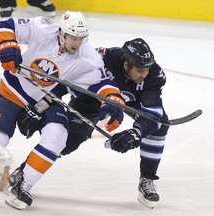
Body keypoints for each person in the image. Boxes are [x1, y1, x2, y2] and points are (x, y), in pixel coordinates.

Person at [0, 11, 125, 210]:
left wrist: (112, 98)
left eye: (81, 38)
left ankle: (23, 182)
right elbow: (6, 26)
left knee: (58, 135)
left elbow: (101, 83)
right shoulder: (43, 27)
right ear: (61, 33)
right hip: (12, 91)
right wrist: (7, 44)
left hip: (43, 99)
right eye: (73, 37)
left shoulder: (88, 57)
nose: (77, 43)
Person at [16, 38, 169, 208]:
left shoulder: (154, 75)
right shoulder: (100, 59)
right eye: (140, 70)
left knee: (160, 125)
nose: (144, 74)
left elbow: (153, 114)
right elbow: (67, 79)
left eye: (147, 69)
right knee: (68, 141)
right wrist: (42, 103)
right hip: (90, 99)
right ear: (126, 65)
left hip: (129, 101)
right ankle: (23, 173)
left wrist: (135, 133)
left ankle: (147, 178)